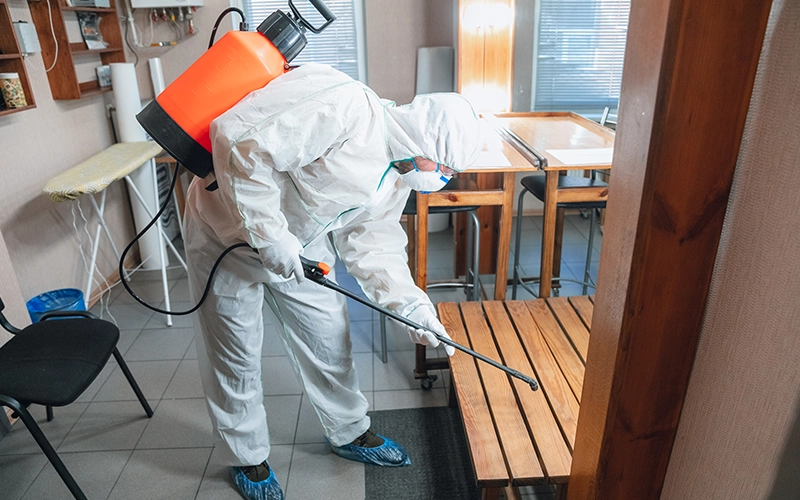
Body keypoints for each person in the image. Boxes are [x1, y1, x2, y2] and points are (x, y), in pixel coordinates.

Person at [183, 62, 480, 500]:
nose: (442, 179)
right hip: (225, 235)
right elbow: (241, 144)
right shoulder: (344, 105)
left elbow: (374, 247)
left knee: (329, 338)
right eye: (447, 169)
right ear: (427, 141)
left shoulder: (396, 176)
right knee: (235, 353)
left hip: (303, 250)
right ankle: (246, 456)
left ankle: (348, 432)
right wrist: (270, 236)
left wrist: (413, 309)